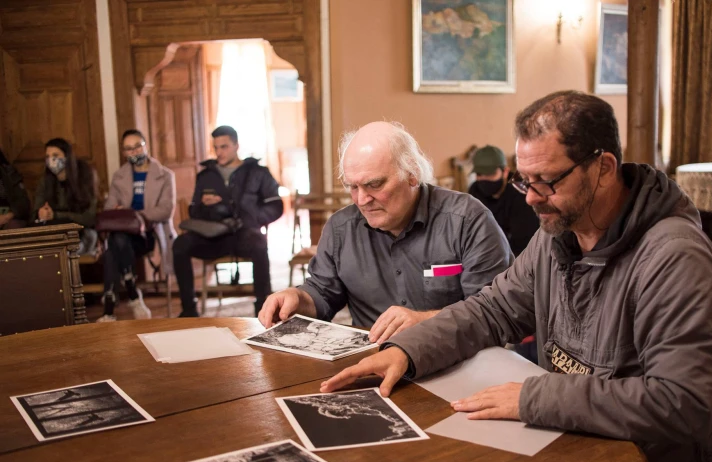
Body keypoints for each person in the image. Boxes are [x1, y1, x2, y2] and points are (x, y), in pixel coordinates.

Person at [319, 92, 712, 462]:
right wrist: (406, 350)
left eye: (547, 181)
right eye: (523, 180)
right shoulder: (557, 234)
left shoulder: (675, 258)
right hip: (583, 446)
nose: (530, 198)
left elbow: (684, 404)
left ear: (603, 166)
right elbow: (492, 309)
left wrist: (535, 396)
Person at [257, 121, 513, 344]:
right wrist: (297, 297)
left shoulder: (467, 220)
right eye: (352, 186)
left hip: (457, 360)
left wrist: (425, 322)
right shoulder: (341, 229)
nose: (361, 199)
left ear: (412, 174)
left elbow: (494, 313)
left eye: (374, 184)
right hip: (373, 362)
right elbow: (323, 293)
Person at [173, 125, 283, 317]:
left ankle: (263, 307)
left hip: (244, 233)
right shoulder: (206, 175)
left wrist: (253, 219)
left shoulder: (258, 172)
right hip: (213, 237)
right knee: (180, 244)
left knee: (259, 243)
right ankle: (189, 309)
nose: (219, 152)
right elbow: (193, 210)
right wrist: (207, 207)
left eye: (224, 147)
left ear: (236, 146)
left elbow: (276, 206)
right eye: (216, 148)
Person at [97, 129, 176, 322]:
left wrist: (134, 215)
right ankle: (131, 293)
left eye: (138, 146)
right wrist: (120, 212)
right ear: (124, 152)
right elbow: (110, 207)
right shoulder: (119, 176)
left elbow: (165, 209)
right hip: (123, 234)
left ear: (146, 145)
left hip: (148, 233)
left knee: (114, 247)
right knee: (117, 241)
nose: (134, 152)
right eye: (128, 149)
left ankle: (111, 308)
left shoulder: (165, 175)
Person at [468, 145, 539, 256]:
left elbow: (525, 240)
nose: (484, 179)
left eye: (490, 174)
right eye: (479, 174)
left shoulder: (521, 193)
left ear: (505, 171)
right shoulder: (475, 191)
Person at [32, 138, 98, 254]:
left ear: (67, 157)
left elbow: (89, 218)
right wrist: (41, 213)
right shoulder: (45, 180)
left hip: (81, 232)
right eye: (48, 157)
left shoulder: (85, 176)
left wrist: (56, 215)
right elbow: (36, 212)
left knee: (67, 251)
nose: (51, 160)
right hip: (55, 233)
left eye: (56, 155)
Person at [0, 147, 30, 229]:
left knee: (14, 226)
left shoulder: (10, 173)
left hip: (9, 218)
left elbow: (24, 205)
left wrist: (7, 216)